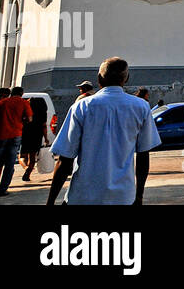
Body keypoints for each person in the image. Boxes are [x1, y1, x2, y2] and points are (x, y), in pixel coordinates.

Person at [48, 57, 161, 206]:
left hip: (83, 196)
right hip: (123, 196)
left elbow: (65, 160)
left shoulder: (82, 107)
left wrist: (50, 202)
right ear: (126, 79)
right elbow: (143, 156)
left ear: (99, 78)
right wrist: (139, 196)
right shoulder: (141, 107)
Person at [0, 86, 32, 195]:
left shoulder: (2, 103)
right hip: (15, 135)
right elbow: (29, 119)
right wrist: (21, 120)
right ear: (22, 94)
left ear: (11, 93)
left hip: (0, 134)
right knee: (9, 164)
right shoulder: (24, 103)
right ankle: (2, 189)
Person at [18, 96, 46, 182]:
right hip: (37, 135)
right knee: (33, 157)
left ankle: (26, 167)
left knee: (22, 156)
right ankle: (28, 174)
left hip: (26, 135)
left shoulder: (25, 112)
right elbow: (44, 126)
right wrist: (46, 138)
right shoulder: (42, 114)